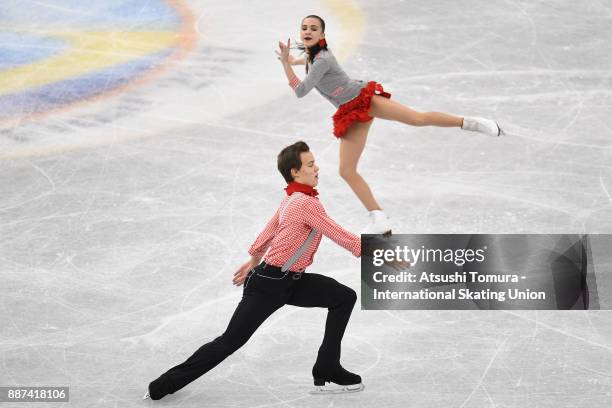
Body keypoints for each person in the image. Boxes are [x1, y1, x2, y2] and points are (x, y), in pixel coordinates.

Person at [144, 141, 368, 400]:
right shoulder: (305, 204)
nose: (317, 168)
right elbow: (339, 235)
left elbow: (268, 232)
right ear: (295, 172)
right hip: (270, 284)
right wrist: (381, 252)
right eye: (310, 164)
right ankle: (163, 385)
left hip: (289, 281)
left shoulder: (293, 199)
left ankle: (327, 366)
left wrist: (253, 261)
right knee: (229, 342)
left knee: (343, 296)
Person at [276, 15, 503, 235]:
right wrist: (292, 60)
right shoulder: (312, 56)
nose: (308, 31)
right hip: (349, 112)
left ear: (322, 33)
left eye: (314, 28)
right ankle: (378, 218)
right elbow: (303, 60)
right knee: (347, 170)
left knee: (417, 119)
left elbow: (300, 91)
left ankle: (471, 123)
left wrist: (286, 64)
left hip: (364, 100)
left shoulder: (322, 59)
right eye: (305, 27)